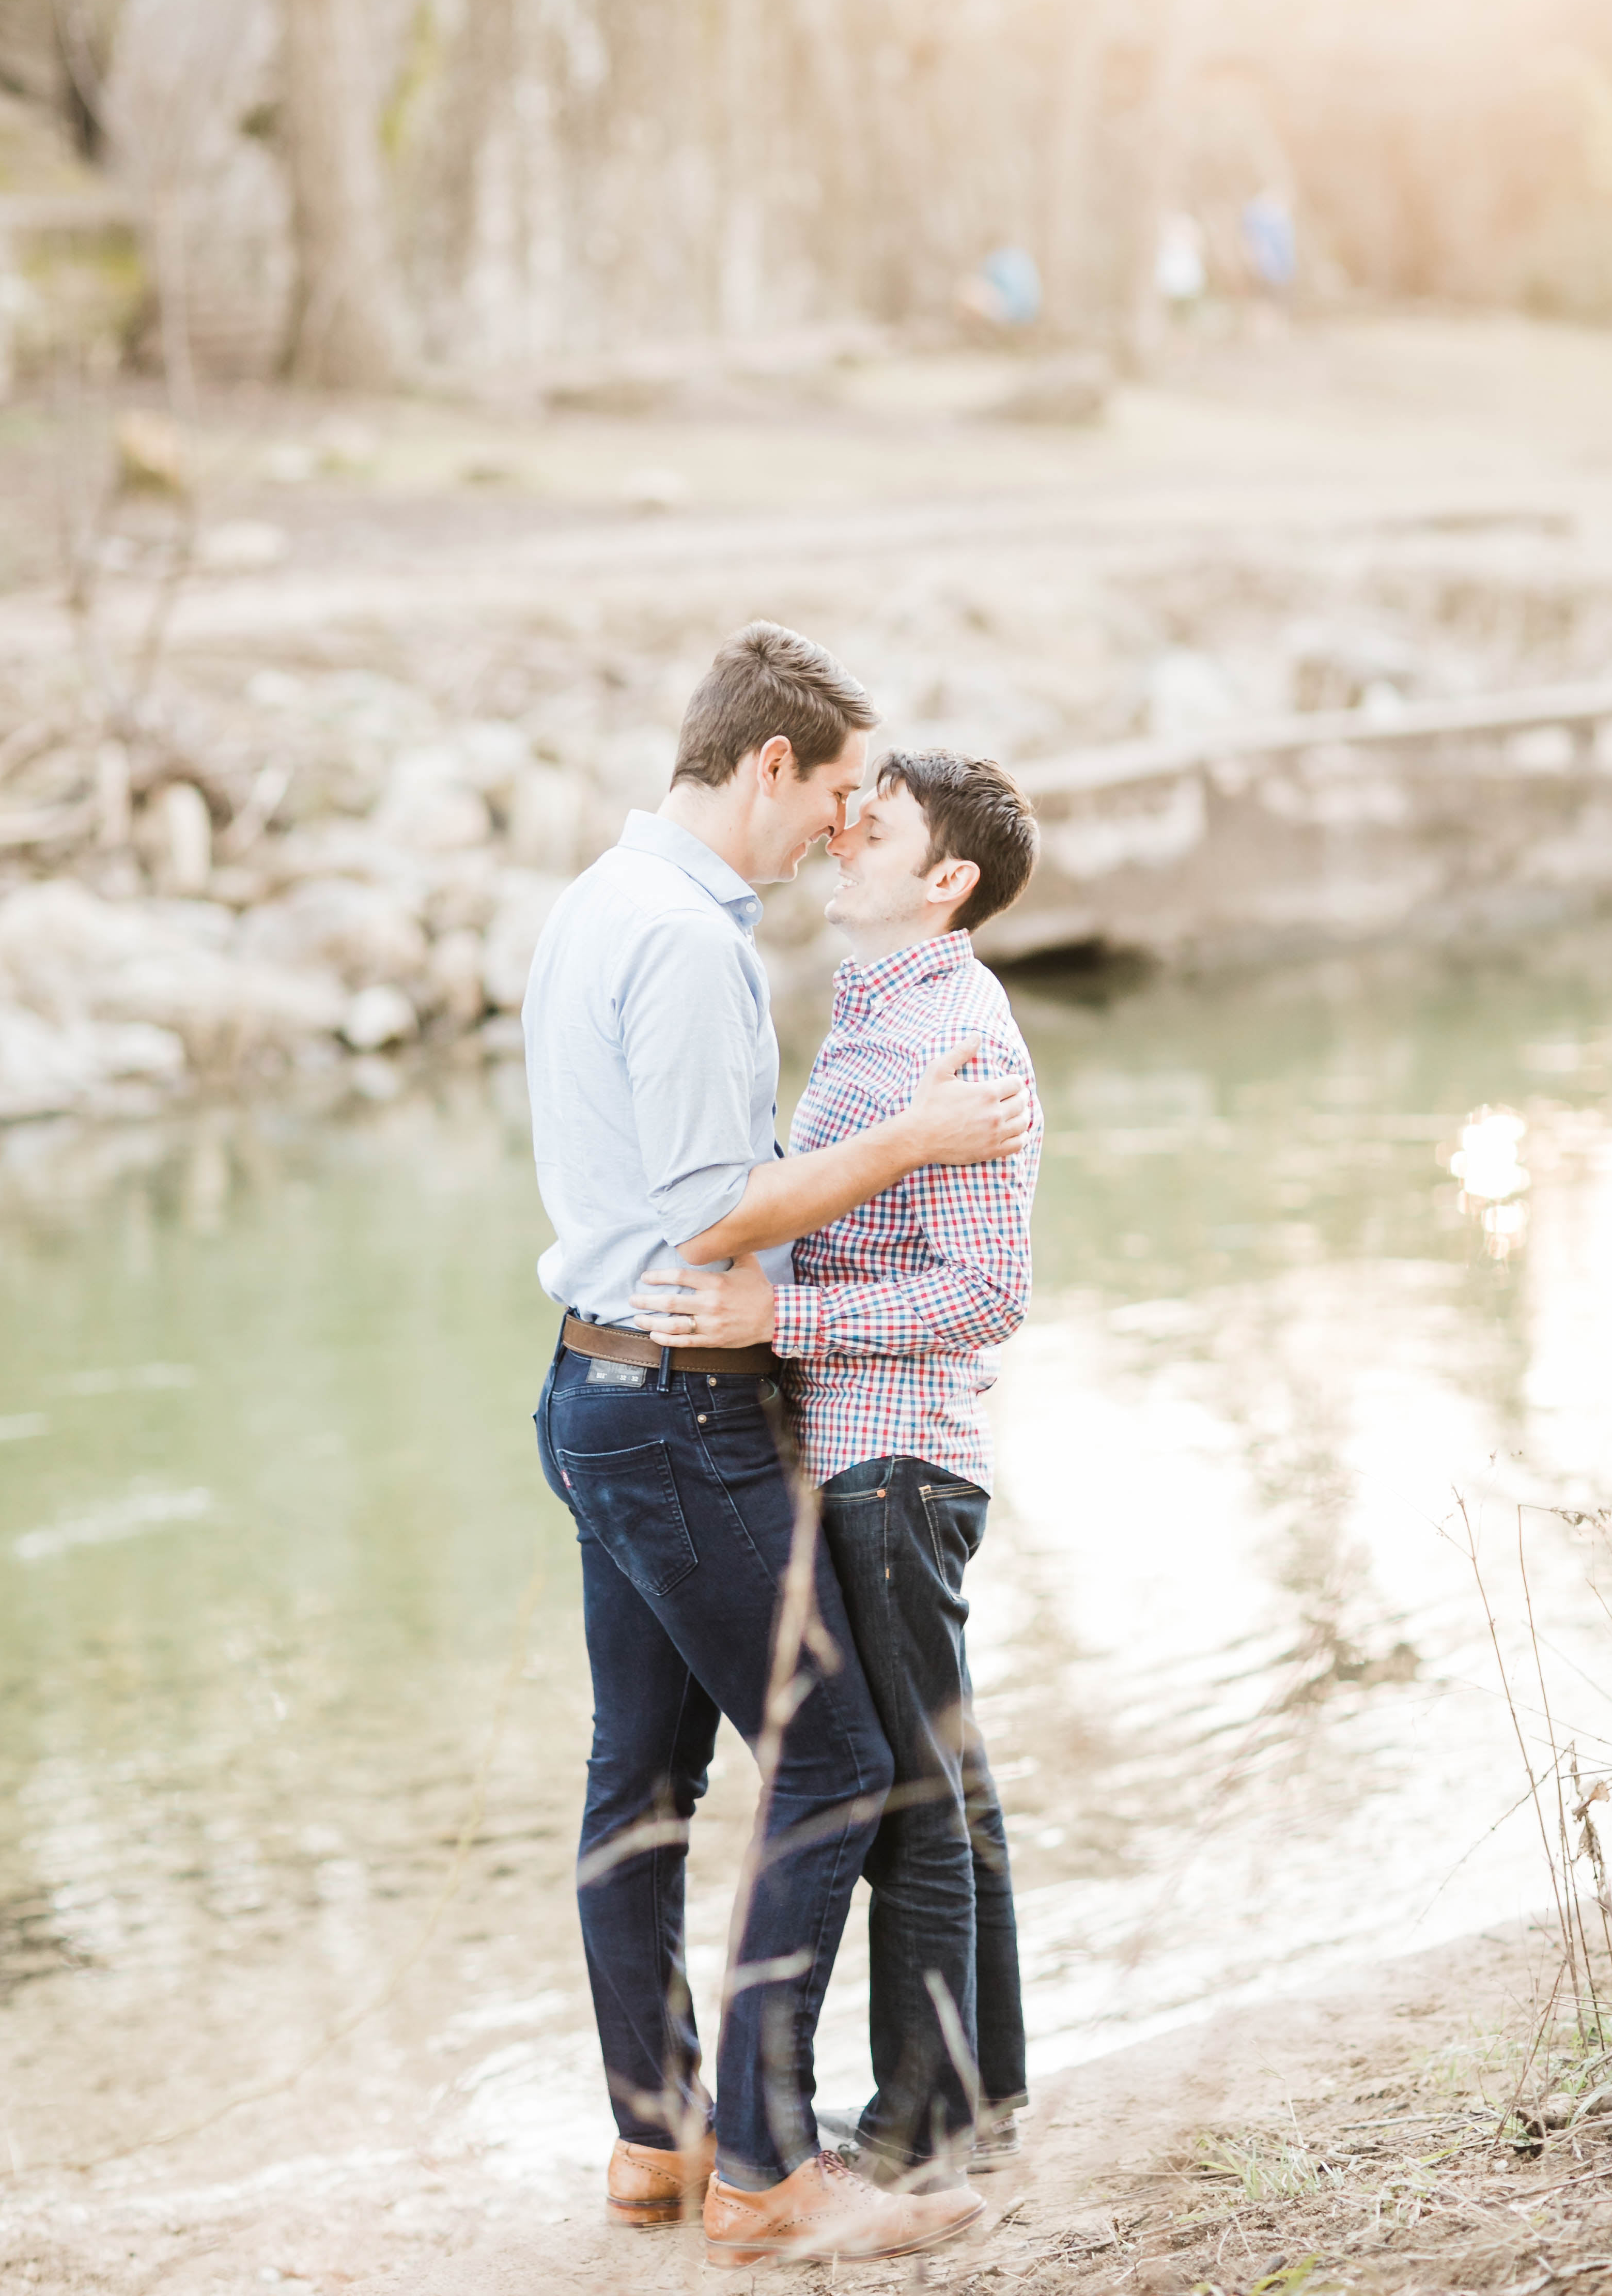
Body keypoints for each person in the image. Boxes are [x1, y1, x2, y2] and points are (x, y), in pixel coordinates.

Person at [521, 624, 1029, 2270]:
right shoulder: (682, 942)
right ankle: (765, 2171)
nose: (836, 824)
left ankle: (656, 2141)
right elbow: (717, 1217)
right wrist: (914, 1139)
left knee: (642, 1778)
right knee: (833, 1767)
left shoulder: (600, 903)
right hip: (673, 1406)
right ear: (768, 768)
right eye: (833, 794)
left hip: (596, 1390)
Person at [633, 747, 1041, 2187]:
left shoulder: (957, 1040)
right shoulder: (882, 1015)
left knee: (909, 1805)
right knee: (949, 1784)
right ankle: (982, 2096)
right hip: (876, 1464)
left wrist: (774, 1317)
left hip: (895, 1473)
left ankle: (917, 2132)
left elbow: (990, 1292)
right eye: (849, 814)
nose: (847, 835)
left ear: (950, 883)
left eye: (883, 830)